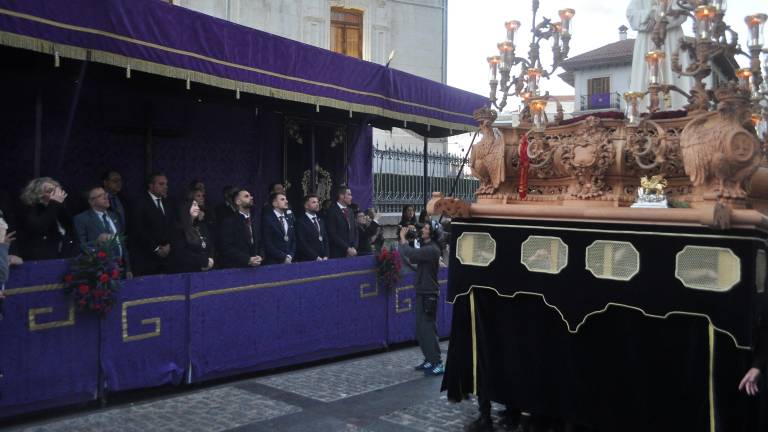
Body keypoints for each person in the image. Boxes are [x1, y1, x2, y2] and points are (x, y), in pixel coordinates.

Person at [627, 0, 691, 111]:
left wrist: (662, 18)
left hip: (672, 38)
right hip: (647, 41)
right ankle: (644, 112)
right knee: (646, 77)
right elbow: (632, 16)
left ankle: (678, 112)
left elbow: (684, 9)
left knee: (674, 75)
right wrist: (652, 14)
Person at [398, 223, 443, 376]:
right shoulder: (427, 247)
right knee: (420, 328)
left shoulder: (432, 249)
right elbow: (414, 257)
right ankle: (429, 359)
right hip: (422, 291)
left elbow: (412, 254)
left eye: (426, 228)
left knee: (428, 329)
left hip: (429, 293)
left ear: (432, 233)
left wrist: (403, 238)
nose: (423, 229)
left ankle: (437, 362)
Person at [73, 186, 132, 278]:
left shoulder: (115, 216)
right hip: (101, 272)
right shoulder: (81, 219)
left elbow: (122, 244)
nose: (106, 197)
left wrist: (128, 268)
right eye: (100, 196)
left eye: (105, 194)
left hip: (122, 269)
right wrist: (97, 242)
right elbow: (80, 246)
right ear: (91, 202)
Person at [18, 177, 78, 260]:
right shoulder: (30, 209)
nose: (54, 194)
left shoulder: (60, 208)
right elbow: (39, 228)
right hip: (42, 257)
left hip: (67, 254)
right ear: (37, 194)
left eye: (56, 191)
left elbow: (70, 230)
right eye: (49, 191)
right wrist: (54, 204)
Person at [129, 172, 172, 276]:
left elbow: (172, 226)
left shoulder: (168, 202)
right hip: (146, 259)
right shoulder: (139, 202)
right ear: (151, 185)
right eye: (161, 184)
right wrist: (156, 248)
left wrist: (169, 245)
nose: (165, 187)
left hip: (167, 258)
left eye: (166, 184)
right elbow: (138, 229)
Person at [218, 188, 263, 269]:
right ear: (238, 202)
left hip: (257, 267)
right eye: (246, 196)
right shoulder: (229, 222)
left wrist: (260, 256)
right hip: (238, 268)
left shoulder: (256, 220)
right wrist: (247, 259)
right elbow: (227, 247)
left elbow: (261, 242)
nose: (251, 197)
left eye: (250, 196)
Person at [169, 199, 214, 273]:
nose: (198, 208)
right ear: (185, 208)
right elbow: (181, 254)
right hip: (188, 271)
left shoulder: (202, 226)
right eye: (194, 205)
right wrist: (203, 262)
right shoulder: (178, 229)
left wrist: (210, 260)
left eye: (198, 205)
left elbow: (210, 245)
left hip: (207, 269)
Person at [261, 192, 296, 265]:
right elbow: (267, 243)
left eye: (286, 199)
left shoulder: (289, 218)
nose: (286, 201)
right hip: (274, 262)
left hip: (290, 260)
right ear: (275, 203)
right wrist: (284, 257)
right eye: (282, 199)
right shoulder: (267, 219)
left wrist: (290, 255)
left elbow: (293, 240)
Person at [325, 186, 358, 258]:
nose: (351, 197)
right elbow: (332, 234)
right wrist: (347, 248)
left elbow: (355, 231)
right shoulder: (332, 211)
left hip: (352, 253)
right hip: (338, 253)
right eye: (349, 194)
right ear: (341, 196)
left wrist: (354, 247)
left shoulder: (350, 211)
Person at [295, 194, 329, 262]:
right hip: (308, 260)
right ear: (306, 206)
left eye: (317, 202)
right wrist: (316, 257)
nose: (317, 204)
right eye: (314, 202)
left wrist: (326, 255)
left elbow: (325, 239)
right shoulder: (300, 222)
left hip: (323, 259)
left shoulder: (321, 220)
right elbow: (302, 243)